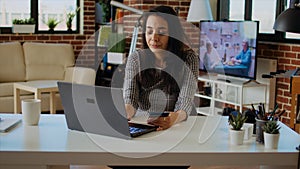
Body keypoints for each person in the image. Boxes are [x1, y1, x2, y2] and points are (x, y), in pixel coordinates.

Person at [123, 5, 198, 132]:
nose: (154, 38)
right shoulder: (136, 59)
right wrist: (124, 114)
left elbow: (185, 101)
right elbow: (130, 100)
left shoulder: (189, 59)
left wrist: (173, 119)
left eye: (161, 32)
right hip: (144, 123)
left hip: (178, 124)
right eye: (149, 31)